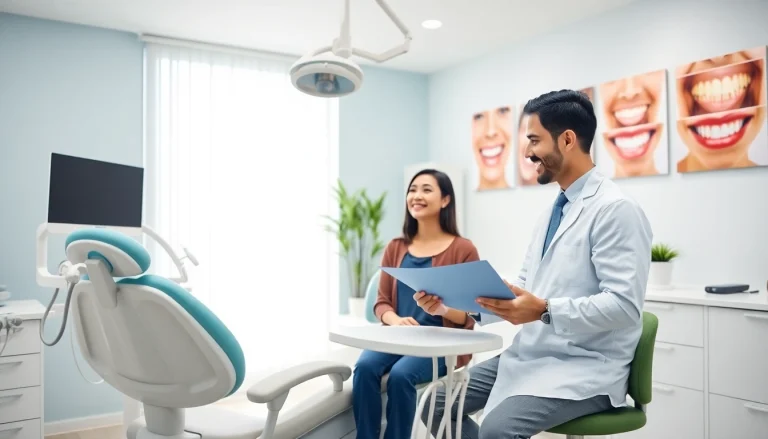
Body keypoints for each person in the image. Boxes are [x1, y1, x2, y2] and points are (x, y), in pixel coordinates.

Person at [419, 89, 653, 439]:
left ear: (567, 140)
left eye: (533, 140)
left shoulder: (616, 209)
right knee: (433, 404)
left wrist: (544, 310)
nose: (527, 153)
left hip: (585, 366)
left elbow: (624, 307)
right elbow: (526, 288)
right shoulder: (553, 212)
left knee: (497, 430)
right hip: (533, 354)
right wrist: (453, 305)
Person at [353, 168, 480, 439]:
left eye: (426, 189)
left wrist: (443, 310)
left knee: (401, 376)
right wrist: (395, 321)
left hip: (441, 346)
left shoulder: (463, 249)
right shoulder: (395, 247)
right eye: (412, 190)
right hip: (398, 337)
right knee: (364, 368)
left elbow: (470, 315)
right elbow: (382, 304)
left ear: (445, 200)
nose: (416, 196)